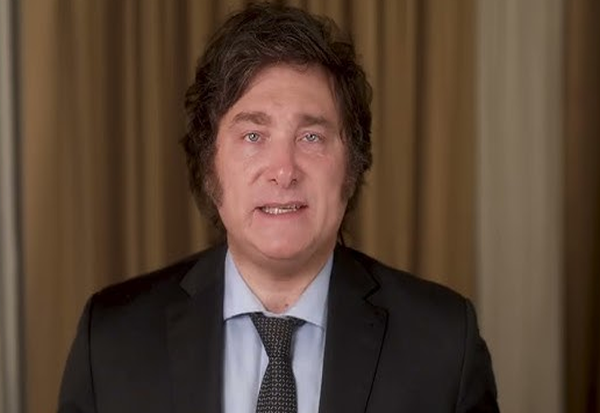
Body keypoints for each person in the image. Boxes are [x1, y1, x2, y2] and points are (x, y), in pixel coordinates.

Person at [58, 3, 499, 413]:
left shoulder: (444, 345)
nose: (284, 171)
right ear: (209, 165)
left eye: (311, 137)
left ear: (352, 166)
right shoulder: (112, 340)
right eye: (253, 136)